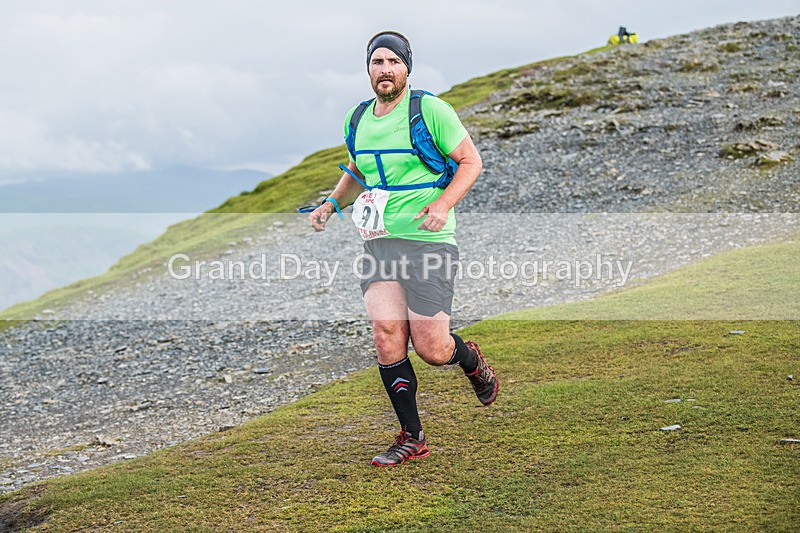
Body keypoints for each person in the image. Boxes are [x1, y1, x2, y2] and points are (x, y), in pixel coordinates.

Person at [306, 30, 498, 467]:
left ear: (407, 67)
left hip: (429, 241)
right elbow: (360, 166)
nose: (385, 69)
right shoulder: (358, 118)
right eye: (378, 62)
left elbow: (471, 162)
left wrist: (442, 203)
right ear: (368, 69)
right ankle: (412, 436)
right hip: (379, 244)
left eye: (394, 61)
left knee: (432, 348)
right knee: (387, 335)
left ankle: (471, 362)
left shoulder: (430, 109)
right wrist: (333, 202)